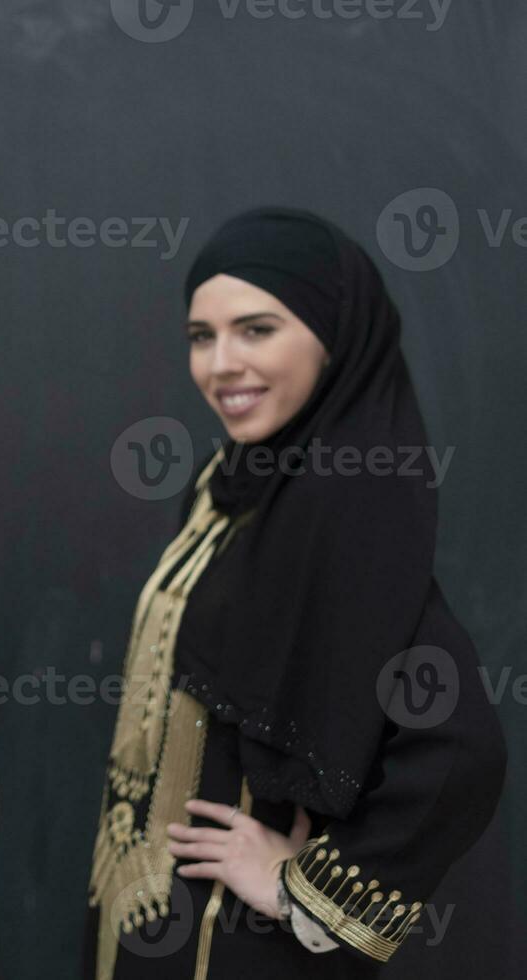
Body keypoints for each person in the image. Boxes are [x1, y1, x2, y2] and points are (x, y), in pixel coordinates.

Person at [83, 207, 506, 979]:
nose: (219, 365)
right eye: (200, 337)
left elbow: (459, 749)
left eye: (256, 330)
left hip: (235, 945)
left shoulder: (348, 503)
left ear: (332, 337)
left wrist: (299, 891)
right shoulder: (229, 487)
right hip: (143, 913)